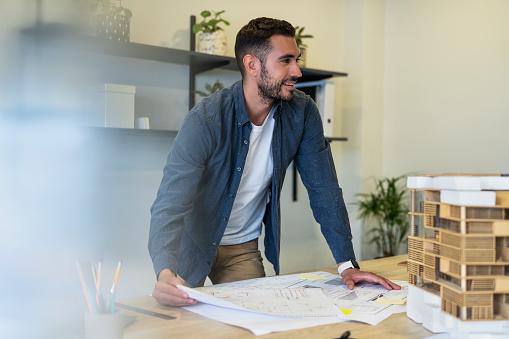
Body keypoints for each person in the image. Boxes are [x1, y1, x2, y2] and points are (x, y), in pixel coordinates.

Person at [149, 17, 400, 307]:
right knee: (183, 327)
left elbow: (324, 190)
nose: (297, 71)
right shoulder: (205, 119)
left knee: (254, 321)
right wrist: (165, 272)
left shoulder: (302, 112)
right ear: (252, 65)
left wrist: (347, 265)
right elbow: (169, 203)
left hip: (242, 249)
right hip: (190, 245)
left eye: (297, 59)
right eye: (286, 61)